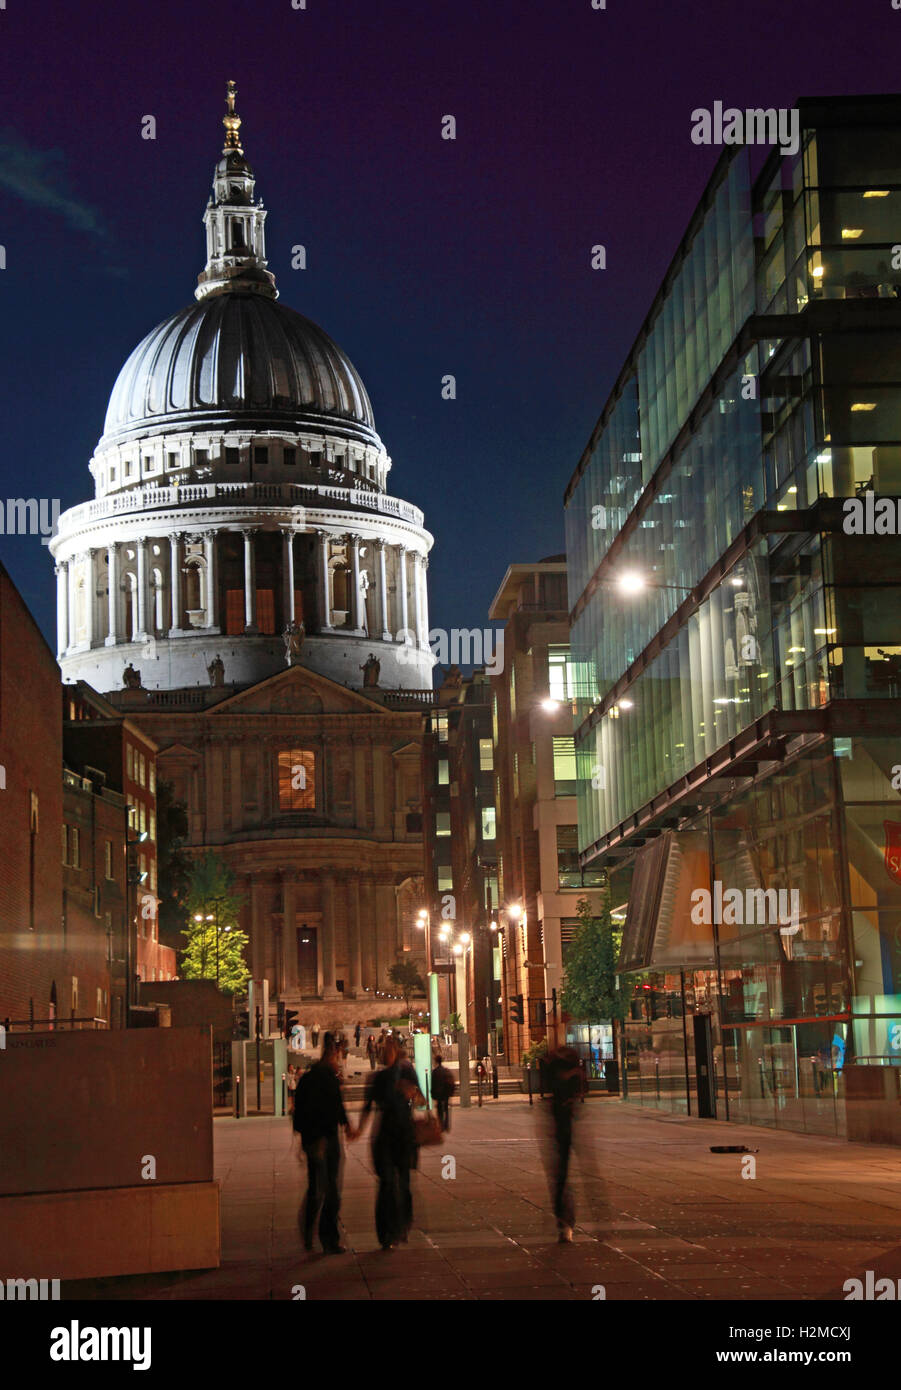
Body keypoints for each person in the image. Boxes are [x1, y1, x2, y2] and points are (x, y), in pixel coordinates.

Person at [293, 1033, 356, 1254]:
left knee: (315, 1189)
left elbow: (299, 1109)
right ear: (334, 1052)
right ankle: (328, 1238)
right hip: (327, 1138)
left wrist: (303, 1136)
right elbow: (336, 1105)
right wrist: (346, 1125)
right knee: (332, 1190)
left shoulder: (310, 1077)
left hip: (313, 1139)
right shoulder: (328, 1076)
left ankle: (309, 1235)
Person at [357, 1037, 422, 1250]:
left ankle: (402, 1225)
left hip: (403, 1133)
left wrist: (410, 1092)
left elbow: (421, 1098)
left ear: (395, 1051)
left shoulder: (406, 1072)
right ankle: (387, 1233)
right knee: (386, 1183)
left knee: (403, 1183)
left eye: (388, 1049)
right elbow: (367, 1106)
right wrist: (358, 1129)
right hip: (386, 1134)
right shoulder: (378, 1077)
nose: (386, 1053)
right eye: (384, 1050)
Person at [544, 1045, 583, 1243]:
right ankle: (565, 1220)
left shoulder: (562, 1080)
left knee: (559, 1177)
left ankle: (564, 1221)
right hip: (563, 1130)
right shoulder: (571, 1079)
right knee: (560, 1177)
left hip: (561, 1132)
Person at [431, 1053, 456, 1132]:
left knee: (439, 1110)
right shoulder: (445, 1070)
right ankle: (446, 1125)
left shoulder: (435, 1071)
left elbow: (433, 1083)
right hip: (446, 1093)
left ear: (436, 1061)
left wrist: (432, 1093)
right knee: (446, 1109)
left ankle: (441, 1125)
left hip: (438, 1093)